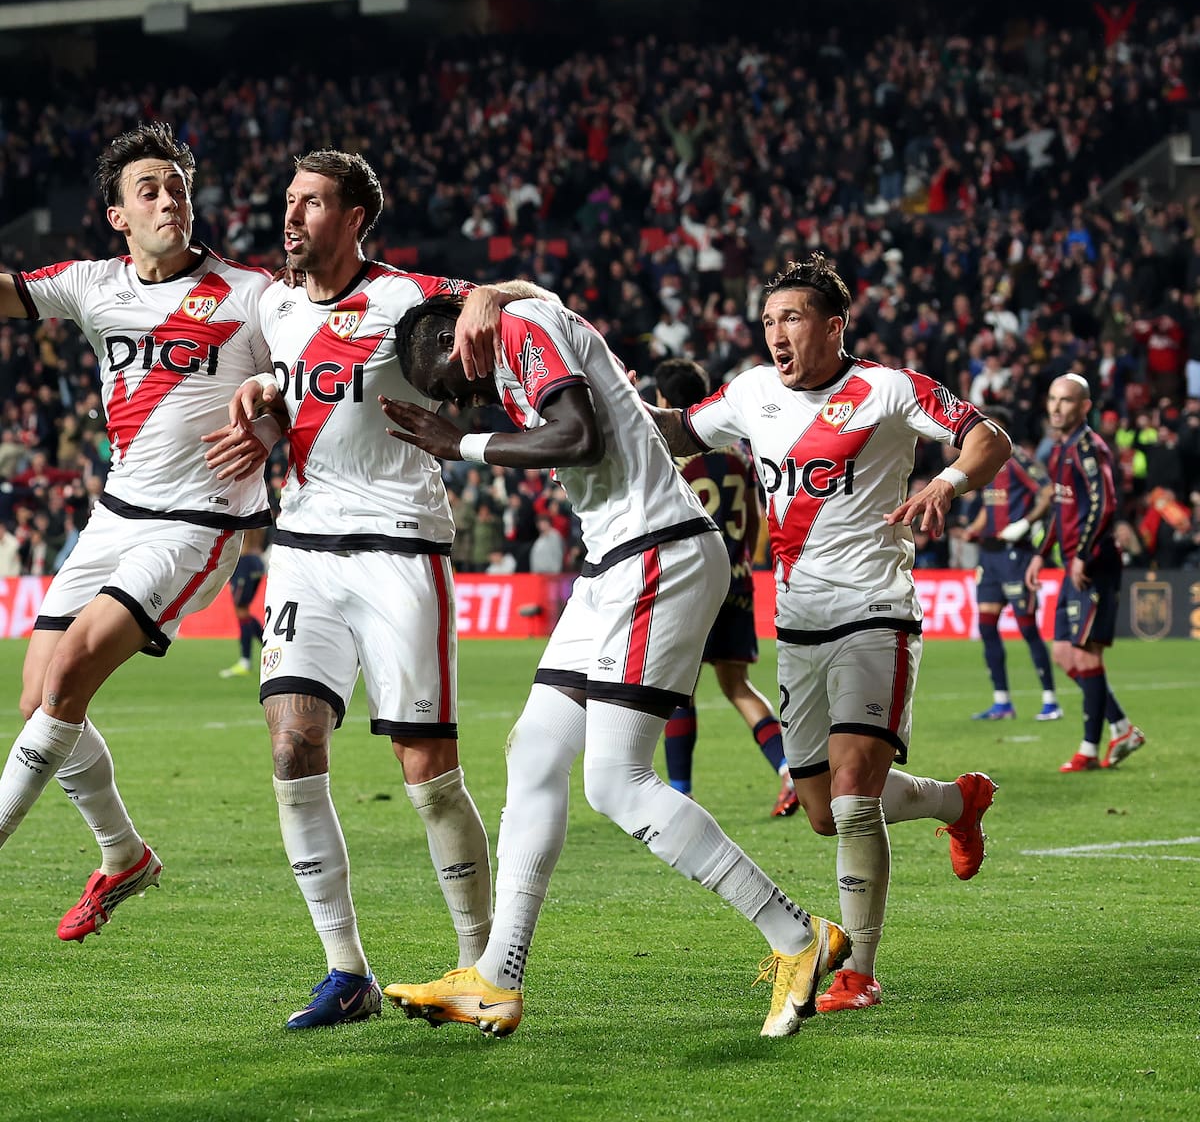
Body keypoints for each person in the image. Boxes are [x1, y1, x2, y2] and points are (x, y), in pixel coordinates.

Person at [379, 292, 849, 1039]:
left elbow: (577, 432)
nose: (446, 396)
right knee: (533, 753)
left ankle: (798, 936)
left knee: (614, 781)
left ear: (452, 333)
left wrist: (461, 444)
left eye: (438, 376)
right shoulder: (517, 328)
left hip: (654, 550)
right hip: (614, 563)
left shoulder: (520, 331)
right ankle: (497, 978)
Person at [213, 149, 549, 1030]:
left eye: (313, 203)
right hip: (302, 551)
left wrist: (488, 295)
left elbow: (538, 300)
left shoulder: (407, 297)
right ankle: (345, 970)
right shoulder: (276, 305)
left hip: (400, 550)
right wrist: (259, 394)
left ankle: (483, 966)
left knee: (426, 773)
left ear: (356, 218)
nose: (292, 217)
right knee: (292, 750)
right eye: (289, 200)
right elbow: (280, 384)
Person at [643, 254, 1012, 1013]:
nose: (777, 333)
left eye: (793, 318)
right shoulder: (751, 392)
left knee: (851, 799)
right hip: (798, 621)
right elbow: (680, 432)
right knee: (821, 809)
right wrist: (596, 404)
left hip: (877, 611)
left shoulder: (888, 388)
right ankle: (955, 802)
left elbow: (987, 437)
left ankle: (858, 970)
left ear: (833, 326)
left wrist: (947, 481)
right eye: (770, 320)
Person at [0, 121, 277, 942]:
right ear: (117, 215)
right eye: (148, 190)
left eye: (177, 188)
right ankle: (124, 856)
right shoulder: (90, 283)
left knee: (74, 671)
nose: (168, 201)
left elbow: (308, 381)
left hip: (197, 522)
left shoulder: (253, 293)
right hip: (115, 516)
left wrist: (268, 425)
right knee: (37, 695)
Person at [652, 357, 797, 817]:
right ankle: (788, 769)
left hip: (691, 582)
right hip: (735, 578)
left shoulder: (670, 451)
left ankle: (680, 791)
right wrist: (743, 564)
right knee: (737, 685)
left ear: (662, 400)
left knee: (681, 689)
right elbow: (756, 514)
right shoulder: (736, 451)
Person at [1025, 374, 1145, 772]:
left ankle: (1090, 748)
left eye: (1066, 401)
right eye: (1053, 399)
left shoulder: (1090, 449)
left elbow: (1105, 503)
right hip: (1074, 563)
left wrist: (1083, 555)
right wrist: (1042, 554)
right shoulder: (1062, 449)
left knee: (1085, 654)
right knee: (1064, 652)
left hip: (1094, 567)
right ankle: (1123, 727)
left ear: (1084, 407)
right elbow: (1062, 510)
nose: (1057, 407)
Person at [962, 406, 1062, 722]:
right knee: (987, 627)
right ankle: (1002, 702)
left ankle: (1050, 700)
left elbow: (1047, 491)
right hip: (989, 557)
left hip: (1015, 553)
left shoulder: (1016, 458)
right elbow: (989, 508)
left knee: (1027, 627)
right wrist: (974, 529)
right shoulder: (988, 463)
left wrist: (1026, 522)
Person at [218, 526, 267, 678]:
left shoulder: (245, 509)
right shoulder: (260, 511)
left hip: (244, 561)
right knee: (244, 611)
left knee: (241, 611)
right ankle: (270, 646)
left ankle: (245, 661)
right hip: (258, 561)